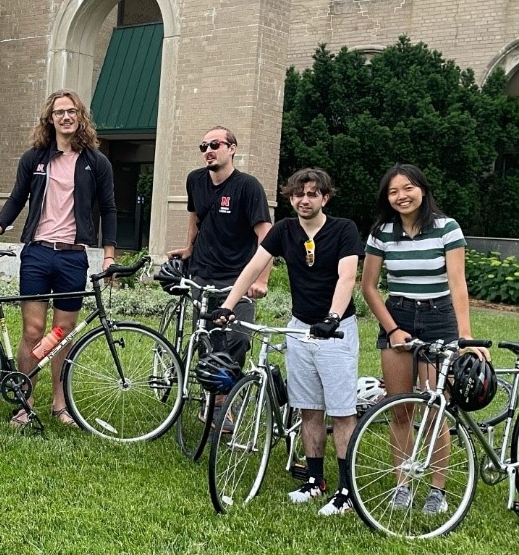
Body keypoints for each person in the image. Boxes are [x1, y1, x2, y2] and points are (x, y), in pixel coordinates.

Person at [209, 168, 363, 516]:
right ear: (290, 198)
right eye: (298, 194)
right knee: (308, 408)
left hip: (335, 330)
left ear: (325, 197)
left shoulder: (343, 230)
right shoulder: (284, 230)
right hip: (300, 328)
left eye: (312, 194)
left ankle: (346, 491)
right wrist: (227, 306)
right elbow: (253, 266)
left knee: (340, 412)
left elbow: (347, 276)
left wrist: (334, 317)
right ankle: (314, 481)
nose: (304, 200)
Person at [0, 89, 116, 427]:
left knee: (61, 332)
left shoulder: (96, 162)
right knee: (34, 331)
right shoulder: (34, 159)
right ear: (50, 118)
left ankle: (60, 405)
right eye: (59, 112)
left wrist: (108, 255)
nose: (66, 117)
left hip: (72, 257)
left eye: (72, 111)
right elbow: (17, 198)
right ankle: (25, 402)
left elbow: (108, 208)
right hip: (36, 253)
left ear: (80, 118)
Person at [360, 162, 488, 515]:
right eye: (393, 191)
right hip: (398, 315)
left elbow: (458, 283)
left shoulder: (447, 229)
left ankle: (437, 489)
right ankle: (402, 484)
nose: (401, 196)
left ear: (422, 189)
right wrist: (392, 329)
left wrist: (464, 336)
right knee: (399, 408)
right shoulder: (382, 232)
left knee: (435, 409)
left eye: (408, 188)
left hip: (438, 317)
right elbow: (368, 287)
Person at [171, 126, 272, 368]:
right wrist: (189, 249)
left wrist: (261, 280)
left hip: (238, 279)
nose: (208, 151)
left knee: (237, 339)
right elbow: (195, 215)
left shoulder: (248, 187)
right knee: (206, 338)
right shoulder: (195, 180)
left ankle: (227, 397)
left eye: (215, 145)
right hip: (202, 274)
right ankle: (213, 402)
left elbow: (267, 236)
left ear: (232, 149)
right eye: (203, 147)